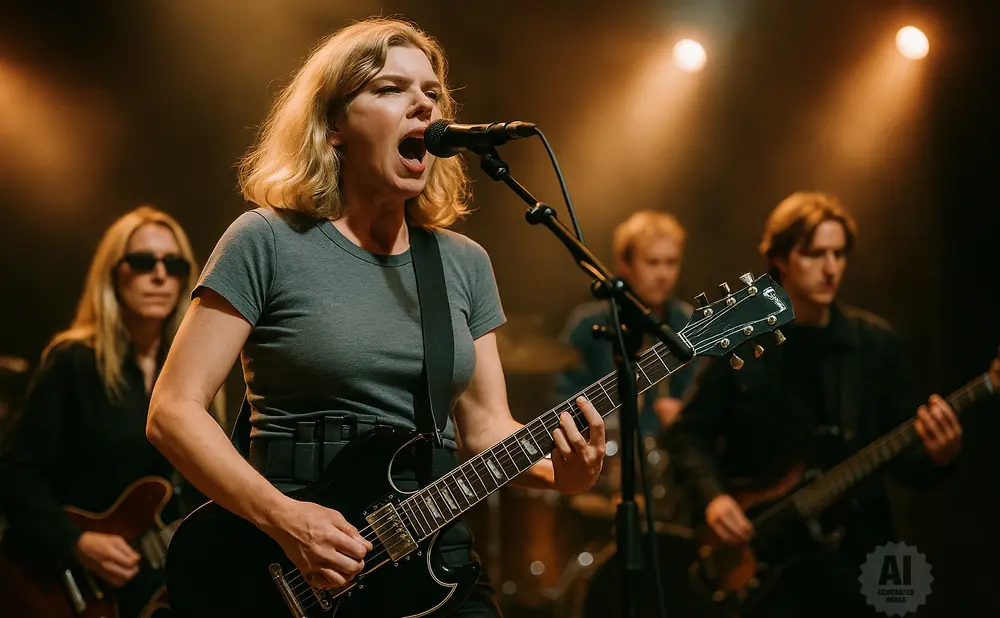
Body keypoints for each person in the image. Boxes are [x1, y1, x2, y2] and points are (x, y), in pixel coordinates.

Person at [144, 17, 606, 617]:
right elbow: (174, 411)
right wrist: (286, 520)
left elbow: (488, 428)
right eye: (390, 88)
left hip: (437, 563)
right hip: (292, 567)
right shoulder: (266, 241)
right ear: (333, 125)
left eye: (432, 91)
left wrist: (560, 474)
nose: (422, 104)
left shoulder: (462, 263)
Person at [664, 191, 963, 617]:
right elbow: (687, 434)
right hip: (769, 562)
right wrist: (713, 499)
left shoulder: (874, 344)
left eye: (839, 254)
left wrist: (940, 456)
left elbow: (903, 461)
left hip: (860, 558)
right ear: (780, 258)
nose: (830, 268)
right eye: (815, 253)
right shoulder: (743, 340)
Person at [0, 205, 218, 618]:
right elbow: (14, 471)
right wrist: (75, 543)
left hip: (151, 591)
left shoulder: (195, 370)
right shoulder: (74, 361)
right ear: (113, 273)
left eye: (173, 265)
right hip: (63, 588)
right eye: (142, 262)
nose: (159, 276)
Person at [554, 209, 697, 437]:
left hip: (672, 460)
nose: (664, 274)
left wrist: (688, 416)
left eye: (672, 262)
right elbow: (561, 402)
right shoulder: (587, 324)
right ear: (624, 263)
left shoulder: (690, 322)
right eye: (652, 262)